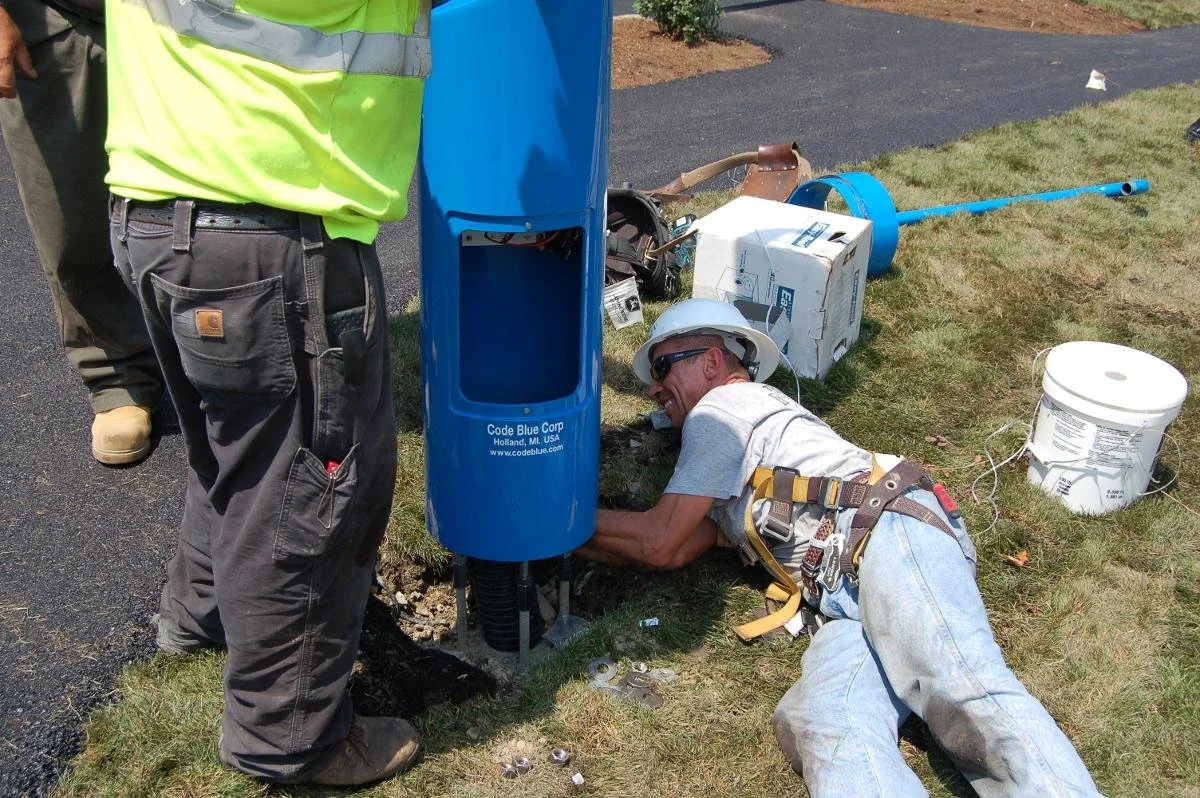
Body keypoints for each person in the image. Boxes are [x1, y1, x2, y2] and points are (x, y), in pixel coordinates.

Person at [579, 298, 1101, 797]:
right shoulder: (729, 438)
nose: (654, 389)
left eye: (664, 367)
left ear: (712, 362)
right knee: (825, 720)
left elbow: (659, 539)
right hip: (846, 590)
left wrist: (541, 527)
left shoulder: (723, 411)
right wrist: (555, 544)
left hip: (891, 534)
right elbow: (674, 547)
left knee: (963, 685)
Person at [104, 0, 430, 787]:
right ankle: (288, 737)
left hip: (155, 210)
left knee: (243, 452)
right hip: (269, 225)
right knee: (313, 493)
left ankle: (200, 619)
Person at [0, 0, 160, 464]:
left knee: (219, 201)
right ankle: (118, 374)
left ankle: (233, 363)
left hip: (188, 19)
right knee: (70, 215)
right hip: (52, 17)